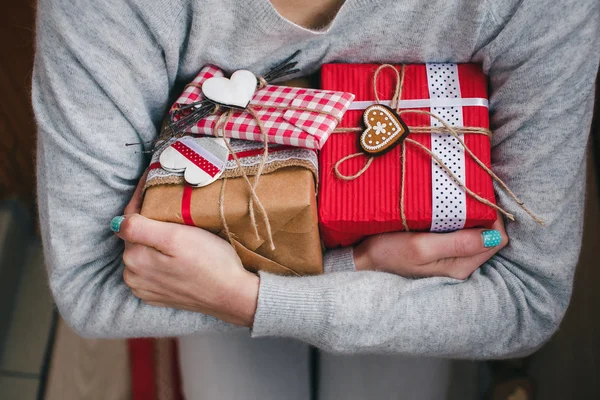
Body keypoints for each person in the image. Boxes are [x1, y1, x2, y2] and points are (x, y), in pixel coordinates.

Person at [32, 0, 599, 399]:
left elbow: (527, 301)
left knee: (387, 383)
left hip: (365, 273)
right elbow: (91, 288)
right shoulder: (104, 10)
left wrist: (246, 298)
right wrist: (359, 264)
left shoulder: (539, 8)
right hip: (378, 276)